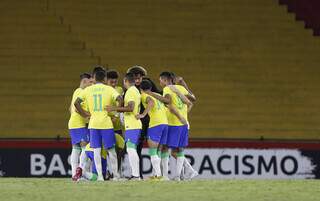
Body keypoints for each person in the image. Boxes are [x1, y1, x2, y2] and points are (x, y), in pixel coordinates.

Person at [145, 71, 194, 180]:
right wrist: (184, 115)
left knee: (165, 149)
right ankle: (179, 176)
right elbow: (192, 101)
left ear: (165, 80)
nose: (160, 83)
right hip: (184, 123)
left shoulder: (167, 89)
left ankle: (166, 176)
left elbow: (169, 103)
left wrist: (179, 116)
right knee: (179, 150)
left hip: (173, 123)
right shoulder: (181, 88)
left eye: (160, 81)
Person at [74, 70, 122, 181]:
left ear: (94, 79)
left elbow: (76, 103)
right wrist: (115, 112)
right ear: (105, 79)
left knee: (96, 151)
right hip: (106, 124)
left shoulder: (88, 90)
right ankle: (115, 176)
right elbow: (120, 99)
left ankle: (100, 176)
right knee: (111, 151)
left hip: (93, 124)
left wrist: (84, 114)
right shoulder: (109, 89)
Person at [106, 73, 142, 180]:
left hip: (133, 125)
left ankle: (136, 175)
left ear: (125, 80)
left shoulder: (130, 91)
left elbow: (130, 108)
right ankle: (136, 175)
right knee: (132, 149)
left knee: (131, 149)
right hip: (133, 125)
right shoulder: (135, 90)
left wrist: (114, 108)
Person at [127, 66, 160, 178]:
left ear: (143, 77)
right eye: (135, 78)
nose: (137, 81)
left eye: (139, 78)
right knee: (137, 147)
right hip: (137, 121)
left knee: (155, 148)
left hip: (149, 121)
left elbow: (158, 94)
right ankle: (138, 174)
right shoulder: (131, 88)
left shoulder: (147, 84)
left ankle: (159, 174)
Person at [136, 80, 168, 179]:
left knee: (153, 150)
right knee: (159, 150)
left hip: (155, 123)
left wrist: (143, 114)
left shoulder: (144, 95)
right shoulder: (156, 94)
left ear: (141, 89)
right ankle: (158, 174)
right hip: (165, 123)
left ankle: (158, 175)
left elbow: (151, 102)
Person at [68, 72, 93, 181]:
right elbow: (76, 108)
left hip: (73, 123)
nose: (92, 84)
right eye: (90, 82)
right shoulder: (81, 92)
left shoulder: (76, 91)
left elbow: (70, 109)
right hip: (79, 123)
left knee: (76, 148)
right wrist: (87, 115)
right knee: (84, 147)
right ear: (84, 81)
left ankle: (74, 174)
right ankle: (81, 172)